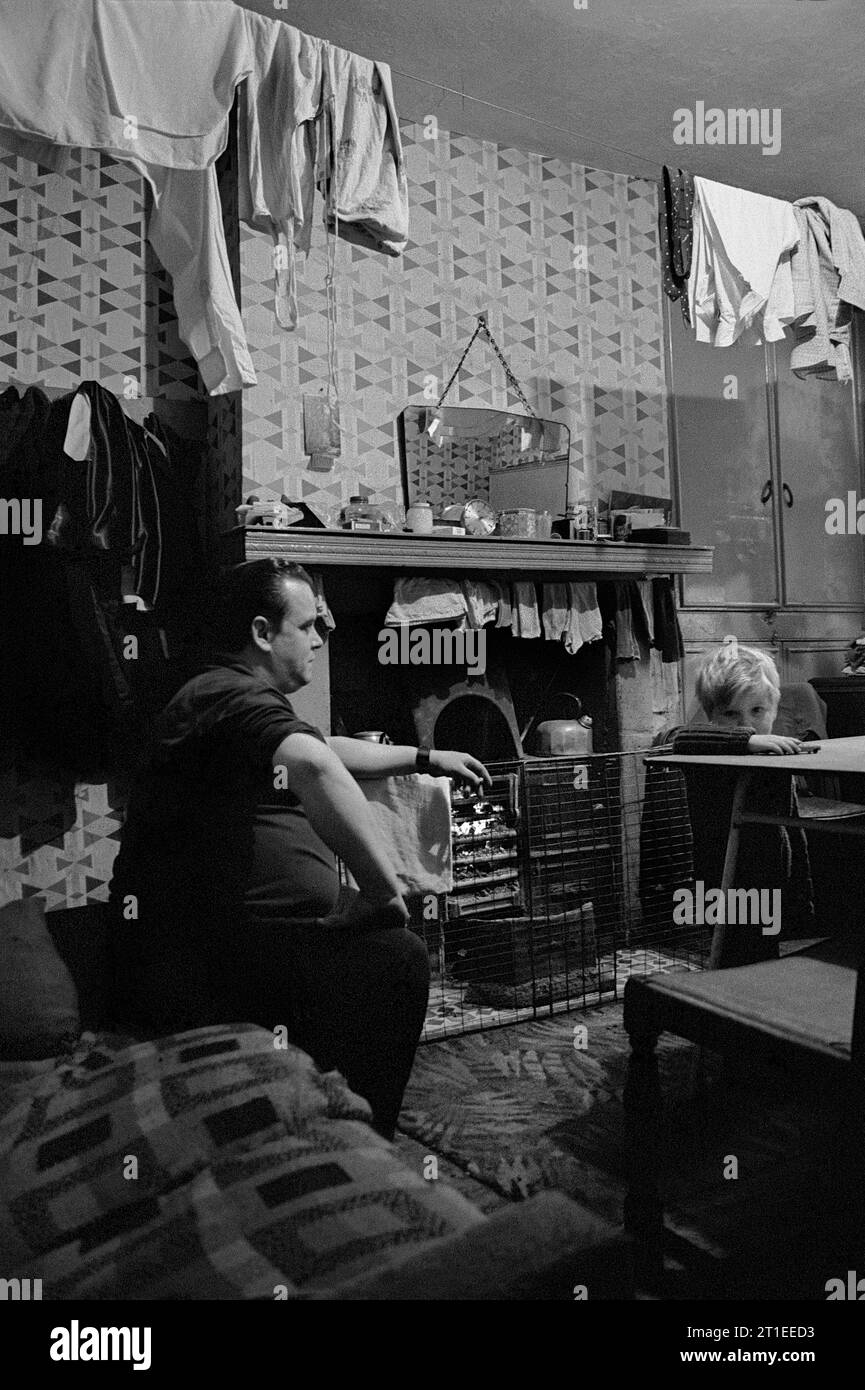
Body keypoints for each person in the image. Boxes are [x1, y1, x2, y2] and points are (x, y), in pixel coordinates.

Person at [109, 558, 491, 1138]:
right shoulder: (220, 694)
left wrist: (425, 757)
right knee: (399, 958)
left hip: (236, 934)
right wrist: (383, 892)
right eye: (309, 625)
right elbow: (312, 763)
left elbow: (322, 747)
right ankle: (357, 1137)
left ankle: (327, 1114)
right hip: (202, 950)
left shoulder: (227, 694)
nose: (320, 639)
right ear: (262, 633)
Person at [655, 638, 815, 966]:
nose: (746, 724)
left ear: (774, 706)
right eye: (731, 714)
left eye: (757, 711)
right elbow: (678, 738)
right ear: (712, 715)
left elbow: (791, 823)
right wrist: (746, 740)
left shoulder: (772, 753)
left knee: (765, 957)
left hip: (771, 873)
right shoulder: (711, 746)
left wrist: (801, 891)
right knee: (734, 954)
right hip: (725, 880)